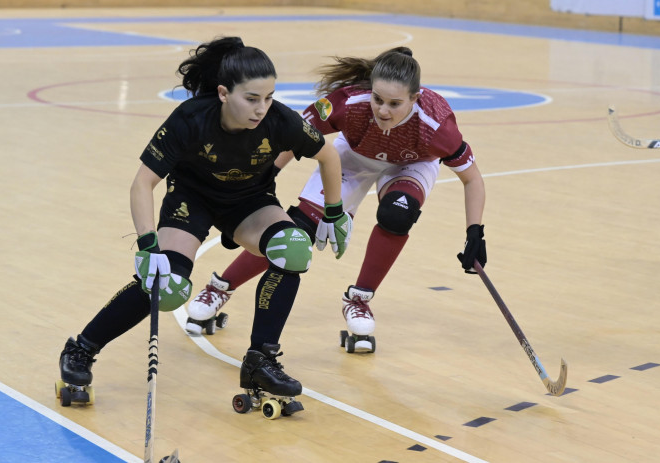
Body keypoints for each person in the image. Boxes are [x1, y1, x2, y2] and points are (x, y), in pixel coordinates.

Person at [57, 36, 352, 407]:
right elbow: (142, 183)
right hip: (191, 200)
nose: (262, 108)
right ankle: (81, 348)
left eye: (269, 97)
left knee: (293, 251)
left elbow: (328, 156)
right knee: (166, 285)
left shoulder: (280, 121)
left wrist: (335, 211)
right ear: (224, 93)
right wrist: (148, 246)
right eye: (252, 98)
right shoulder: (191, 118)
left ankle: (261, 359)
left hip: (248, 202)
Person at [186, 46, 486, 353]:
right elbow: (292, 136)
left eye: (395, 103)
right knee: (299, 230)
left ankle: (359, 300)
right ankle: (219, 287)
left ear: (415, 98)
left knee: (398, 215)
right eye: (378, 99)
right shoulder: (348, 103)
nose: (383, 110)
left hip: (412, 163)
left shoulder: (436, 126)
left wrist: (474, 231)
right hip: (354, 156)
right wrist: (264, 177)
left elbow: (472, 178)